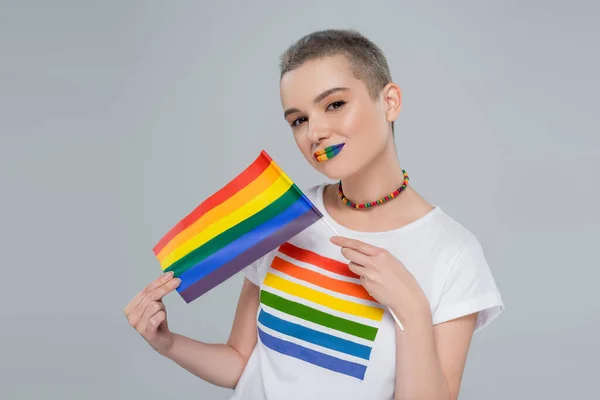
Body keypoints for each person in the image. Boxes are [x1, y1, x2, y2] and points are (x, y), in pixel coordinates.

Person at [123, 29, 504, 400]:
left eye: (335, 104)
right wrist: (168, 343)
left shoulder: (454, 253)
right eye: (298, 120)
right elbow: (241, 361)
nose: (315, 132)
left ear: (389, 102)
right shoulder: (281, 219)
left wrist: (411, 309)